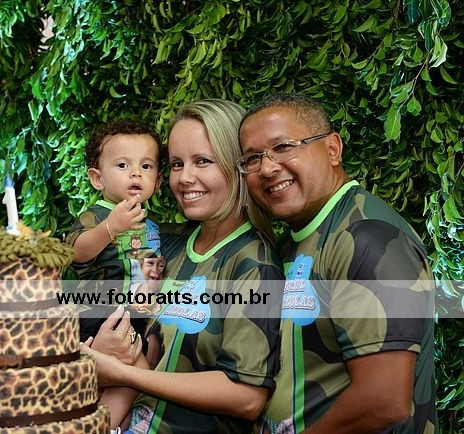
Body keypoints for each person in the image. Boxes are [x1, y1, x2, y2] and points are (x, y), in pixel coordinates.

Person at [238, 93, 436, 433]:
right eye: (252, 158)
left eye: (283, 147)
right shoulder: (292, 242)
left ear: (332, 149)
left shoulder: (368, 237)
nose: (267, 168)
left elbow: (384, 401)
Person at [83, 99, 284, 433]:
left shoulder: (252, 263)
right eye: (177, 164)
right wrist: (103, 350)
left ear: (236, 165)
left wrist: (123, 372)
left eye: (202, 161)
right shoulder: (164, 245)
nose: (185, 178)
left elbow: (247, 398)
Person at [66, 118, 165, 341]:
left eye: (146, 166)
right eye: (122, 165)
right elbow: (75, 253)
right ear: (98, 179)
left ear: (157, 181)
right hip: (98, 318)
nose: (136, 173)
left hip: (140, 314)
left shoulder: (152, 220)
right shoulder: (96, 216)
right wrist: (110, 228)